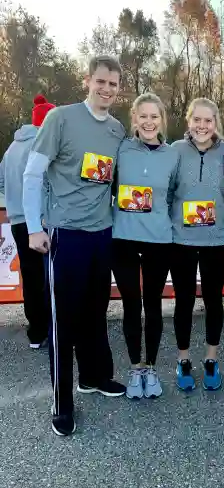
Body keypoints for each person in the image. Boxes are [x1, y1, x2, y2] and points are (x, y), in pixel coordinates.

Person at [22, 55, 127, 437]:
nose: (106, 89)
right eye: (101, 81)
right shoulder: (61, 119)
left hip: (103, 235)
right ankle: (61, 402)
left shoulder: (117, 129)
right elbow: (33, 174)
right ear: (88, 81)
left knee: (95, 314)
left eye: (113, 84)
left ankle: (95, 377)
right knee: (63, 323)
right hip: (65, 236)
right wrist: (35, 228)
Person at [112, 93, 179, 399]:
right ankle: (134, 367)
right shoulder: (121, 148)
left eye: (155, 116)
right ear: (134, 119)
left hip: (159, 240)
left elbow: (176, 194)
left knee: (153, 305)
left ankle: (151, 367)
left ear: (161, 120)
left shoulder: (172, 154)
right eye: (143, 116)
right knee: (130, 305)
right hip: (123, 238)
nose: (149, 122)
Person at [170, 98, 224, 391]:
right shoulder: (176, 151)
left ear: (216, 122)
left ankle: (210, 359)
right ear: (188, 121)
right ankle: (183, 360)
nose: (202, 126)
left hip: (216, 240)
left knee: (213, 300)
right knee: (183, 301)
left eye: (208, 121)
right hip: (181, 240)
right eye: (197, 120)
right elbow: (165, 191)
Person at [0, 95, 55, 348]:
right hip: (41, 219)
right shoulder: (44, 145)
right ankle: (53, 329)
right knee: (49, 277)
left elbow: (1, 182)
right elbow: (48, 183)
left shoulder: (11, 149)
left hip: (17, 220)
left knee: (31, 278)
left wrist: (13, 200)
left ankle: (36, 333)